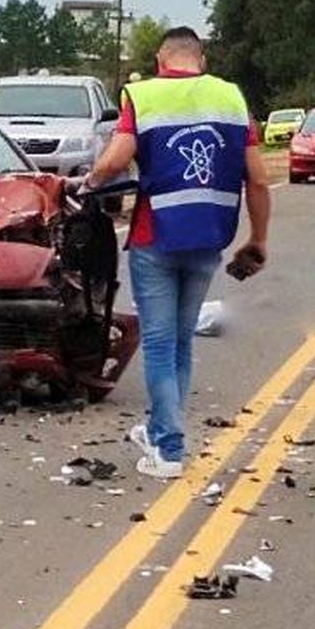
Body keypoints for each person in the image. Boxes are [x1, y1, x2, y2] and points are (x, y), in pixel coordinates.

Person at [85, 26, 270, 480]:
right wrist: (258, 239)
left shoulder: (144, 97)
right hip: (210, 238)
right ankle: (157, 427)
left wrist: (87, 183)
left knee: (161, 344)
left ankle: (168, 449)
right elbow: (259, 179)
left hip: (155, 238)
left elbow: (114, 161)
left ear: (160, 60)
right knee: (182, 342)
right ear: (201, 60)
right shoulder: (230, 98)